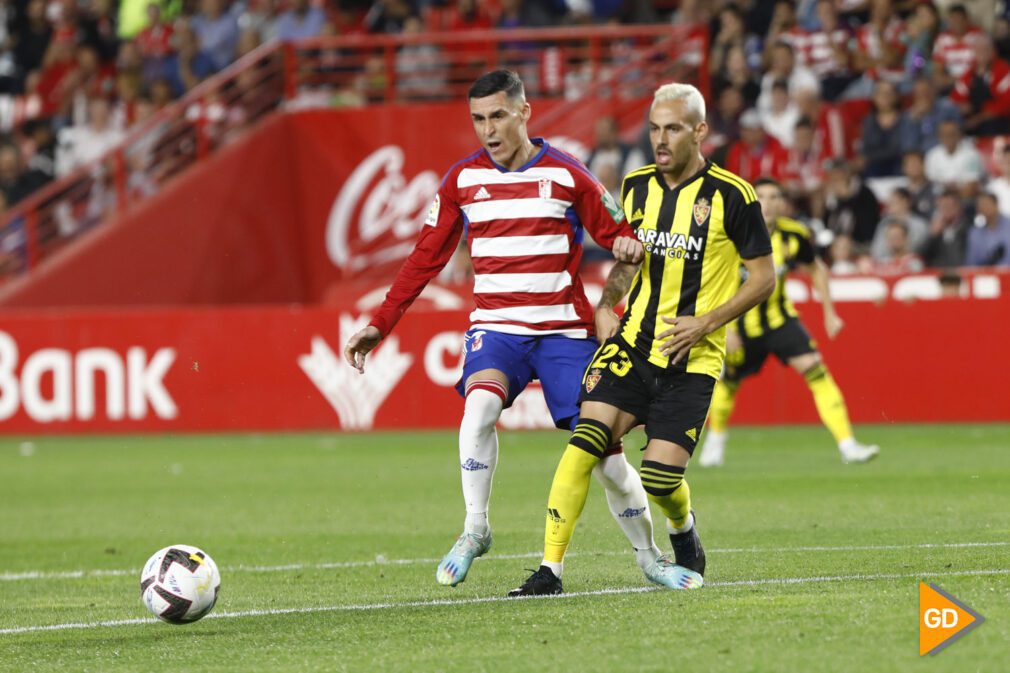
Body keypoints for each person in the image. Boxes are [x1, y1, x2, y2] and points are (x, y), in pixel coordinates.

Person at [343, 70, 661, 589]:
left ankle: (649, 557)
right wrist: (381, 324)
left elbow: (624, 239)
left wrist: (624, 263)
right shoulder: (461, 181)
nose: (488, 129)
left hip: (565, 331)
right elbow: (424, 259)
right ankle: (475, 529)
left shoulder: (569, 175)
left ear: (524, 113)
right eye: (478, 119)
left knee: (604, 457)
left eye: (497, 116)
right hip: (499, 328)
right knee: (479, 408)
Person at [507, 82, 777, 597]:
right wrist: (609, 302)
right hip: (634, 345)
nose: (660, 138)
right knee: (585, 442)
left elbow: (764, 277)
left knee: (658, 479)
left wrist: (708, 322)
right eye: (654, 128)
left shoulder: (733, 196)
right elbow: (628, 262)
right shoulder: (634, 187)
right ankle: (550, 570)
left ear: (699, 131)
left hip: (692, 357)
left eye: (672, 128)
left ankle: (683, 528)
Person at [697, 178, 880, 468]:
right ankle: (715, 441)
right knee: (729, 382)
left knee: (816, 369)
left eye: (775, 197)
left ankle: (848, 445)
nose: (768, 204)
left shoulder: (794, 235)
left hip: (780, 319)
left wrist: (829, 312)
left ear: (783, 203)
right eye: (762, 197)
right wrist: (724, 326)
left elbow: (815, 269)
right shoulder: (730, 234)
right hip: (739, 324)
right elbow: (710, 281)